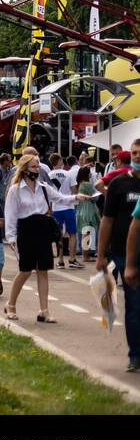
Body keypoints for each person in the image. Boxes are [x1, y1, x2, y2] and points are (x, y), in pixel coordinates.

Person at [97, 151, 140, 372]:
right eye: (135, 153)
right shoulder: (118, 184)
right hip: (124, 252)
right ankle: (135, 355)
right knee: (134, 304)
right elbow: (107, 220)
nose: (138, 157)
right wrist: (101, 253)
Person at [3, 154, 59, 323]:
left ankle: (44, 311)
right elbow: (10, 214)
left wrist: (76, 198)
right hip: (25, 232)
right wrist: (11, 236)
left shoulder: (42, 187)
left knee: (43, 271)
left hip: (42, 231)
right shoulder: (15, 190)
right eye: (34, 167)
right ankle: (10, 304)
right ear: (25, 169)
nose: (37, 170)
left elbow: (59, 198)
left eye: (38, 167)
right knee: (25, 271)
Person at [46, 153, 82, 269]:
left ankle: (60, 260)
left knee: (59, 235)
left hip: (56, 208)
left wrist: (49, 208)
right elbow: (74, 190)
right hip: (69, 207)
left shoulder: (49, 175)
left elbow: (47, 194)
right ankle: (72, 259)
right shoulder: (69, 174)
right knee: (72, 234)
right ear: (60, 161)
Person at [76, 166, 101, 258]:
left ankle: (85, 255)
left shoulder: (79, 183)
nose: (91, 174)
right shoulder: (87, 184)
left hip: (81, 208)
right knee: (87, 232)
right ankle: (86, 256)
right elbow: (95, 198)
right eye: (89, 172)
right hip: (88, 209)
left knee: (85, 232)